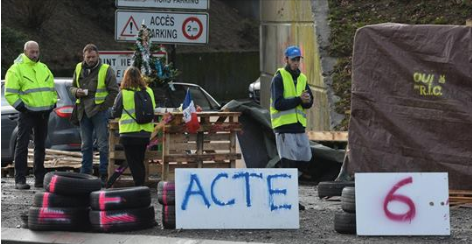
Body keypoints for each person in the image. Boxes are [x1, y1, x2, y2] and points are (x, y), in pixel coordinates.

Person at [4, 41, 58, 190]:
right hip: (27, 113)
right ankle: (20, 179)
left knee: (40, 146)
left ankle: (39, 180)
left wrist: (53, 103)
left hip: (43, 113)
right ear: (25, 51)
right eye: (32, 52)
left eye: (37, 52)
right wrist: (22, 107)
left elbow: (52, 89)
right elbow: (9, 92)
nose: (35, 55)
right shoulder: (16, 70)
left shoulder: (44, 68)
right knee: (22, 145)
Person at [270, 46, 314, 210]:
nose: (296, 62)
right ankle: (288, 199)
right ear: (286, 59)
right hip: (284, 127)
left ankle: (287, 194)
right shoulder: (279, 77)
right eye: (293, 59)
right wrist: (298, 99)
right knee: (288, 164)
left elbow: (309, 102)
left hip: (298, 127)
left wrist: (307, 100)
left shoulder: (302, 78)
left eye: (298, 59)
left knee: (305, 158)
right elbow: (278, 103)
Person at [70, 44, 119, 186]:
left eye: (93, 57)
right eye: (88, 57)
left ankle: (103, 174)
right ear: (83, 56)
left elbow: (114, 92)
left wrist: (102, 107)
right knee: (86, 145)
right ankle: (85, 174)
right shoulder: (79, 67)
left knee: (103, 145)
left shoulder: (106, 70)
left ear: (98, 56)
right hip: (83, 111)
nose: (90, 59)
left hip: (100, 112)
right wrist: (76, 92)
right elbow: (72, 86)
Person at [111, 66, 156, 186]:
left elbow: (115, 112)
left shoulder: (123, 93)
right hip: (145, 133)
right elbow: (153, 108)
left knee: (133, 162)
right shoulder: (149, 91)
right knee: (139, 161)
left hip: (128, 134)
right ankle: (140, 185)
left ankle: (139, 187)